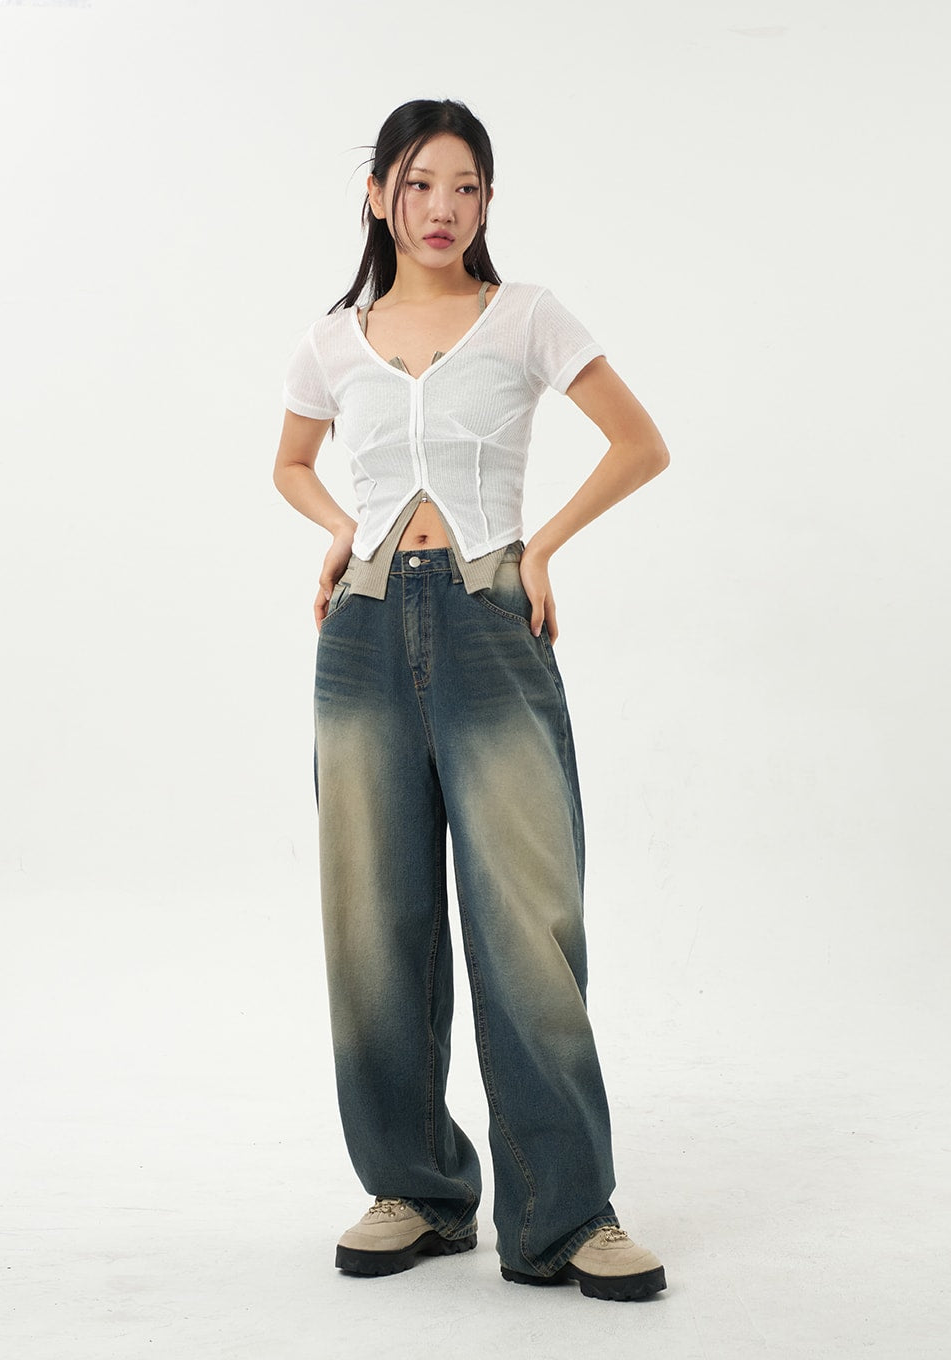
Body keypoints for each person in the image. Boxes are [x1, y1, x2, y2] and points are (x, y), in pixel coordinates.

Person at [272, 98, 671, 1303]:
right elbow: (289, 462)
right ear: (378, 196)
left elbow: (638, 443)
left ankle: (567, 1212)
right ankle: (416, 1187)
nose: (441, 207)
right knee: (372, 919)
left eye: (465, 186)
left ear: (488, 201)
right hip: (362, 634)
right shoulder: (333, 341)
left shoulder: (526, 316)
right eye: (418, 182)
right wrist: (338, 531)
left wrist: (540, 548)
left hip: (492, 620)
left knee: (527, 922)